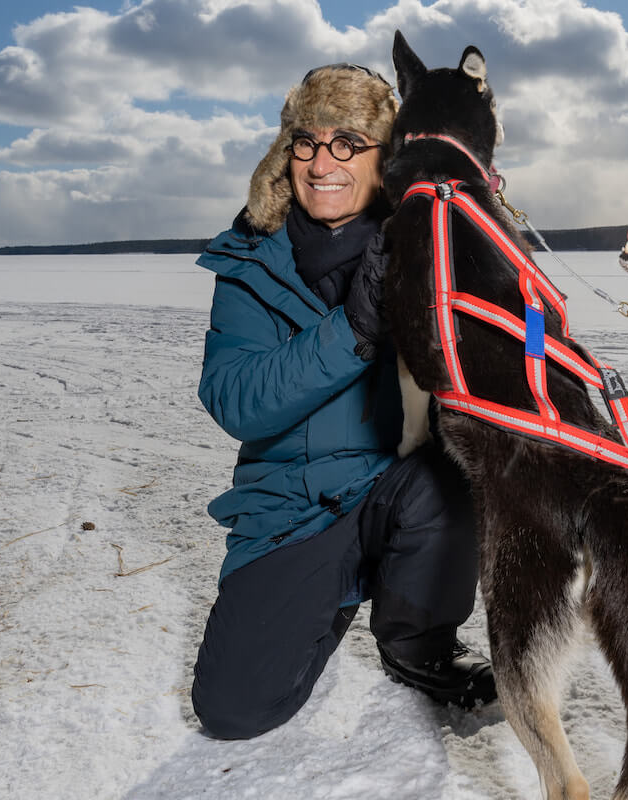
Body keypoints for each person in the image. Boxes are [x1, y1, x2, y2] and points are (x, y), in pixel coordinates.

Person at [191, 63, 496, 740]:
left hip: (399, 481)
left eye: (349, 143)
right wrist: (353, 330)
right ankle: (330, 587)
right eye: (309, 141)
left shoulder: (420, 247)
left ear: (383, 158)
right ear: (287, 152)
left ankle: (418, 642)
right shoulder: (251, 260)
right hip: (295, 505)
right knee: (235, 711)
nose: (324, 161)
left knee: (448, 480)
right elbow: (236, 399)